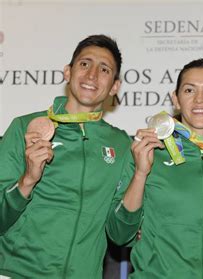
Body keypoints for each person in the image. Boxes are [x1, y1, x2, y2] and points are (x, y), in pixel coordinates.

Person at [106, 58, 203, 278]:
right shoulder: (148, 150)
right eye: (189, 90)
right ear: (176, 99)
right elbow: (119, 233)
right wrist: (140, 173)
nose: (199, 99)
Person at [0, 34, 130, 278]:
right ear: (68, 72)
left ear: (114, 86)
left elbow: (121, 233)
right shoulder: (24, 127)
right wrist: (27, 180)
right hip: (17, 272)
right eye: (84, 64)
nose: (91, 75)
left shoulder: (121, 145)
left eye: (104, 69)